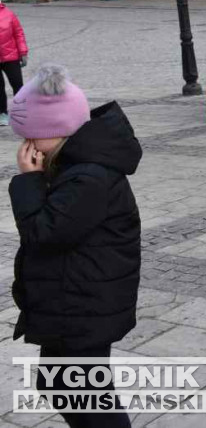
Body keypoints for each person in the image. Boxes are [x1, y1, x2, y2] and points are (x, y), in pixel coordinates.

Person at [9, 65, 141, 428]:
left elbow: (43, 233)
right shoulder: (78, 164)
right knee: (65, 387)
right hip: (77, 299)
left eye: (33, 136)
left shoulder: (88, 176)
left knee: (82, 396)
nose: (27, 146)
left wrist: (29, 181)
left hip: (83, 304)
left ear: (57, 130)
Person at [0, 1, 29, 127]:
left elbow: (18, 33)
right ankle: (2, 113)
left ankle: (21, 112)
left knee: (17, 84)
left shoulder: (9, 14)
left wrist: (23, 52)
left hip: (11, 56)